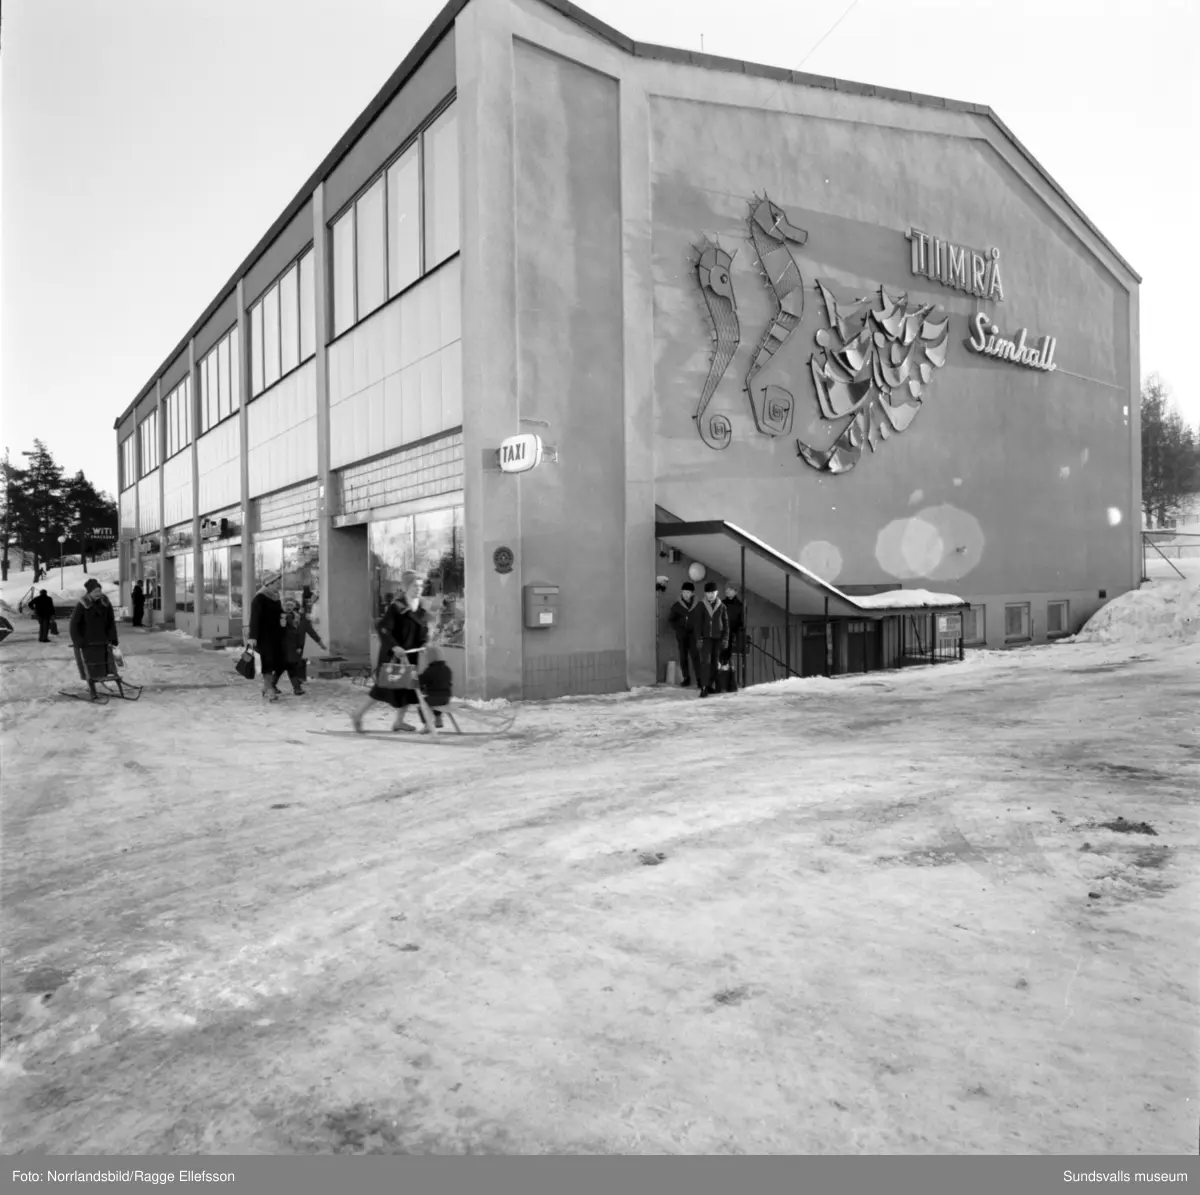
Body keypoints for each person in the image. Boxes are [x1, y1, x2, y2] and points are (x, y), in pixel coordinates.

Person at [351, 571, 429, 733]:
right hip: (393, 655)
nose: (418, 589)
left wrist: (426, 642)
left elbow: (422, 630)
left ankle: (399, 722)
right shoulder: (397, 607)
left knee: (408, 688)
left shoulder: (420, 608)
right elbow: (383, 628)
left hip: (410, 655)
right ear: (406, 587)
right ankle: (357, 714)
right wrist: (395, 647)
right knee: (382, 688)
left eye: (421, 586)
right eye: (415, 586)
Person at [69, 578, 119, 700]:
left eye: (99, 590)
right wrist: (78, 640)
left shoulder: (105, 603)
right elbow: (74, 623)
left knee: (105, 664)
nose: (99, 593)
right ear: (89, 592)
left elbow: (111, 621)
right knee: (90, 667)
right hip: (88, 642)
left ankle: (101, 681)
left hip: (102, 641)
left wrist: (113, 637)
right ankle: (92, 689)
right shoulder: (83, 604)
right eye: (96, 591)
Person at [246, 572, 286, 702]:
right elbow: (255, 618)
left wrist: (285, 617)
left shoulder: (276, 597)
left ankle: (267, 686)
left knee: (279, 663)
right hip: (264, 637)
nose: (279, 585)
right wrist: (253, 636)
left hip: (276, 636)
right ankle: (269, 689)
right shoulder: (259, 598)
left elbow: (279, 614)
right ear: (269, 584)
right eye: (277, 582)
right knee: (267, 663)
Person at [280, 599, 326, 696]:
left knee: (289, 665)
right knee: (290, 666)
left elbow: (311, 632)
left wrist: (320, 643)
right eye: (287, 605)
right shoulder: (283, 617)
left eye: (291, 605)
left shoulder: (302, 619)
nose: (289, 608)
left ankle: (272, 685)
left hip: (298, 647)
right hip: (286, 647)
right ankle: (297, 687)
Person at [696, 581, 730, 697]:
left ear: (717, 593)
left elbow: (726, 624)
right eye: (708, 593)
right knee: (705, 662)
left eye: (713, 592)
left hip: (717, 639)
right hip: (706, 639)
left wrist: (725, 639)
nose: (711, 595)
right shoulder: (701, 605)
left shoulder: (722, 606)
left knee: (715, 663)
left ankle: (711, 685)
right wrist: (699, 638)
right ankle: (704, 687)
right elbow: (698, 624)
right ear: (705, 593)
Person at [667, 581, 702, 688]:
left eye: (688, 592)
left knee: (695, 656)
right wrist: (678, 628)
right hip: (682, 635)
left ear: (692, 593)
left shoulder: (698, 605)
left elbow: (702, 619)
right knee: (683, 657)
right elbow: (671, 620)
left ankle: (700, 679)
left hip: (693, 635)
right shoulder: (677, 606)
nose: (685, 594)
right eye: (684, 592)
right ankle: (686, 678)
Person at [413, 643, 453, 733]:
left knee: (422, 706)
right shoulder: (447, 669)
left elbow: (421, 680)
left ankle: (428, 725)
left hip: (434, 697)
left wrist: (415, 676)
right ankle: (438, 719)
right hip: (446, 698)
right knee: (436, 704)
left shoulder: (430, 670)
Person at [722, 585, 746, 689]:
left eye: (730, 590)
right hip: (721, 633)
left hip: (731, 634)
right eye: (726, 589)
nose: (727, 591)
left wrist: (737, 633)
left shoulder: (739, 605)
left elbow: (741, 622)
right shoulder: (722, 603)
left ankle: (728, 683)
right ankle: (721, 681)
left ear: (735, 592)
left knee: (727, 658)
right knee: (720, 657)